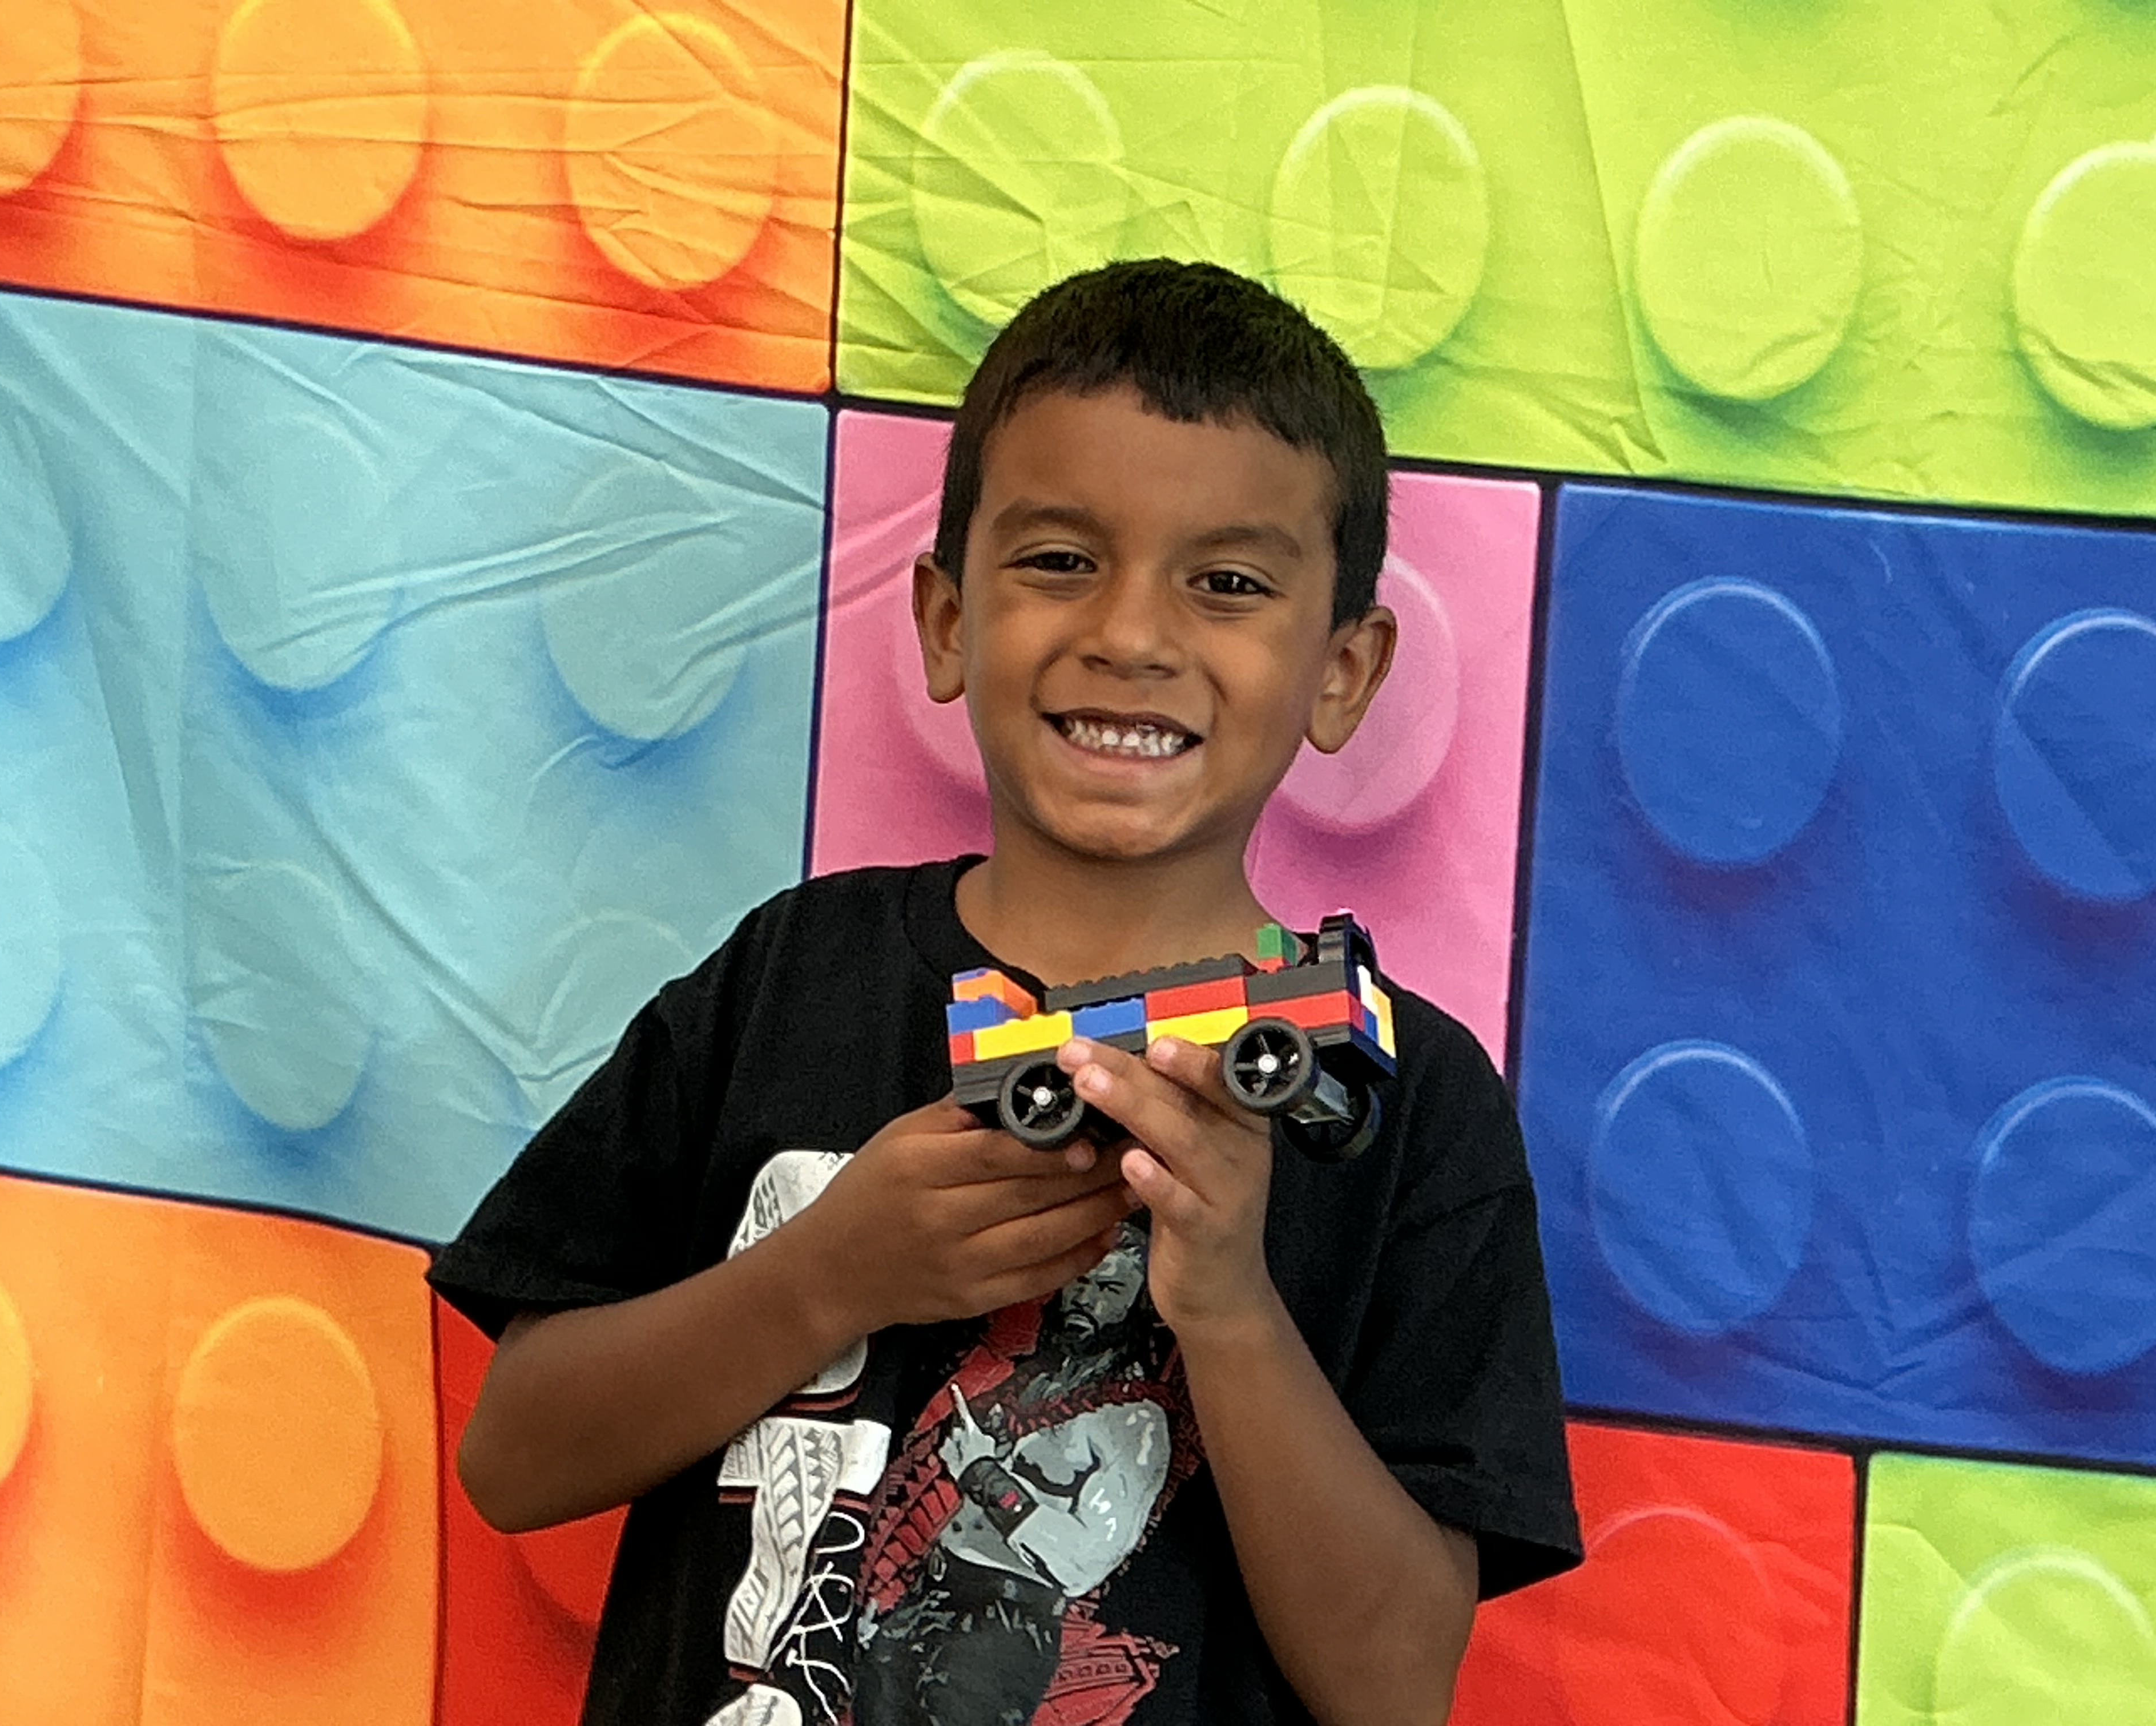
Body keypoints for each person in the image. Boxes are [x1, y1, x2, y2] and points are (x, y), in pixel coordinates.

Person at [429, 257, 1581, 1726]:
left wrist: (1228, 1305)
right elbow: (513, 1461)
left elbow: (1396, 1686)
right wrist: (828, 1275)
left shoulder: (1422, 1103)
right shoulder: (789, 975)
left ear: (1343, 671)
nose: (1133, 635)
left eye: (1229, 584)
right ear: (947, 617)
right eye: (1059, 560)